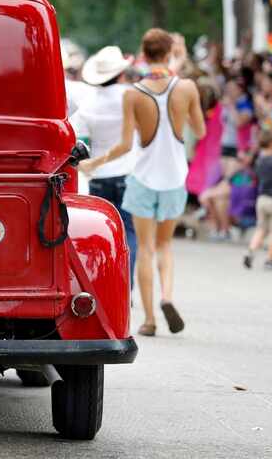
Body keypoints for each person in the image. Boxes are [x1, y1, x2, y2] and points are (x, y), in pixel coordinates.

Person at [79, 28, 206, 337]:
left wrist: (95, 162)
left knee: (145, 248)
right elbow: (200, 132)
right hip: (175, 177)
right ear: (167, 52)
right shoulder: (186, 88)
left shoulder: (133, 93)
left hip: (143, 176)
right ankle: (167, 297)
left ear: (143, 54)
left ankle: (149, 319)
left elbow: (124, 145)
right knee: (165, 246)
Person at [71, 46, 139, 285]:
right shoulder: (131, 96)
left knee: (106, 235)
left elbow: (80, 141)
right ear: (121, 73)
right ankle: (126, 287)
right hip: (128, 172)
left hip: (99, 175)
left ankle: (108, 284)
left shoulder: (88, 104)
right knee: (129, 231)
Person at [243, 129, 272, 270]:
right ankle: (270, 259)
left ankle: (250, 251)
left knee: (261, 229)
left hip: (262, 199)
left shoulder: (259, 160)